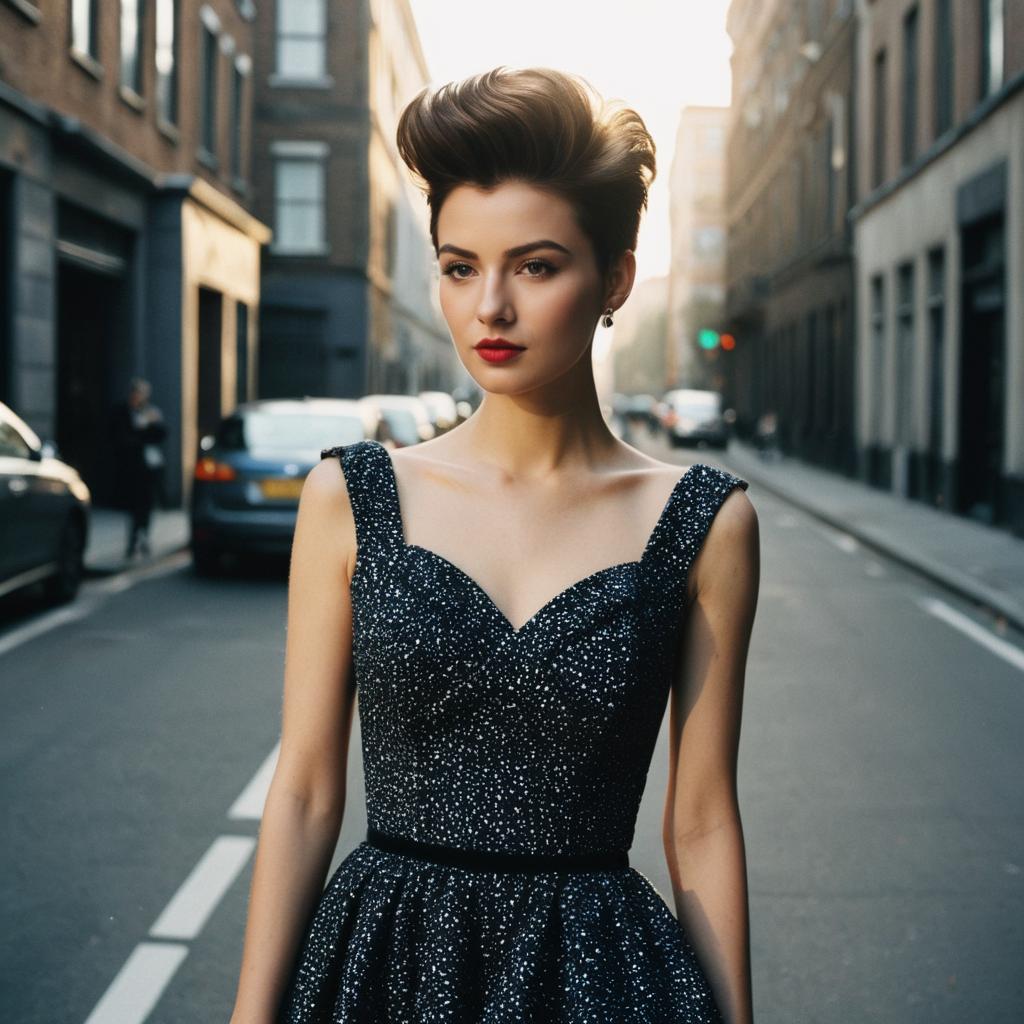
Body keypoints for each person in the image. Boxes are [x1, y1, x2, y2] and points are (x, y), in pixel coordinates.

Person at [230, 67, 760, 1024]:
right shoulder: (352, 498)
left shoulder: (705, 523)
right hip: (384, 970)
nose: (491, 308)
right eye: (460, 266)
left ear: (615, 279)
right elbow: (305, 791)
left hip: (596, 981)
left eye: (537, 266)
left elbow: (702, 821)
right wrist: (250, 1015)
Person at [110, 377, 167, 559]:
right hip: (132, 466)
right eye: (135, 392)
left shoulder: (151, 412)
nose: (137, 396)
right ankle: (134, 539)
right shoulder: (122, 412)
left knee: (147, 503)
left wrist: (151, 424)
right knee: (134, 505)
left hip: (150, 466)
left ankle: (142, 537)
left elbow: (161, 434)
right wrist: (142, 434)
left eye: (141, 393)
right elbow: (120, 437)